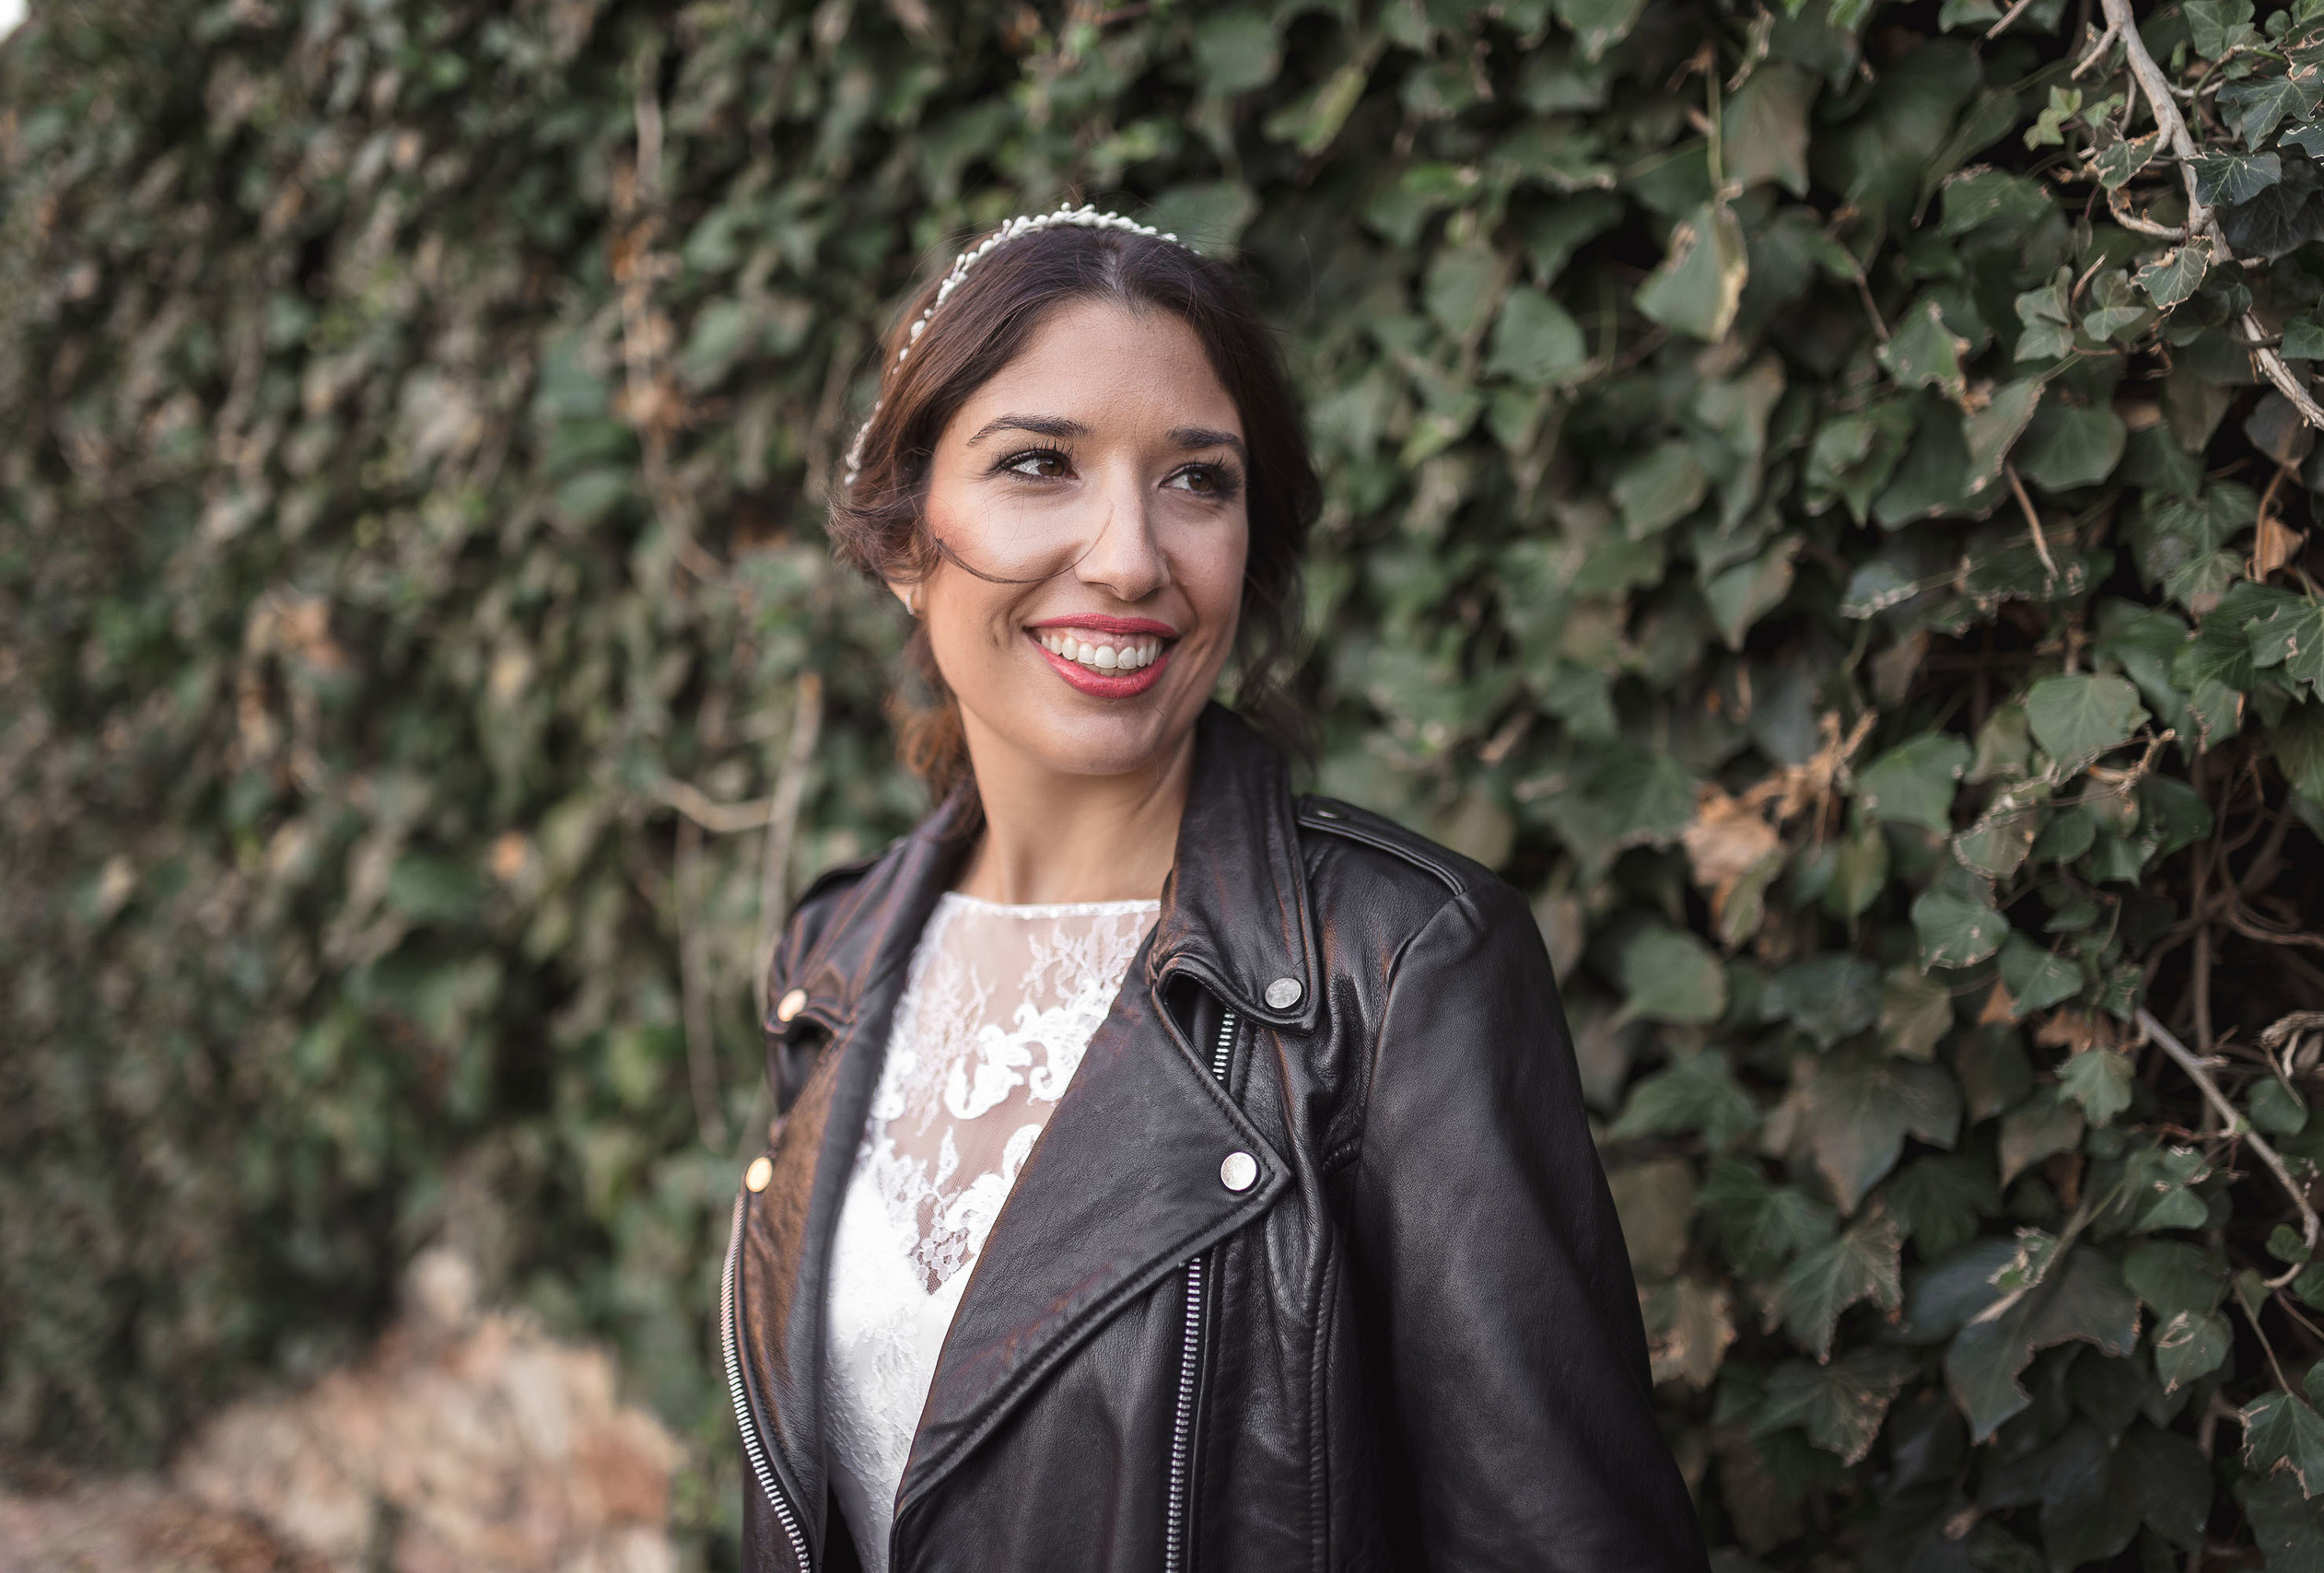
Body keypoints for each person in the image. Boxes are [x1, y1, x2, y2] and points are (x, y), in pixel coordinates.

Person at [722, 204, 1709, 1572]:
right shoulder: (828, 962)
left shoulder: (1402, 971)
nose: (1132, 557)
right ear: (905, 541)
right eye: (1039, 465)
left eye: (1198, 481)